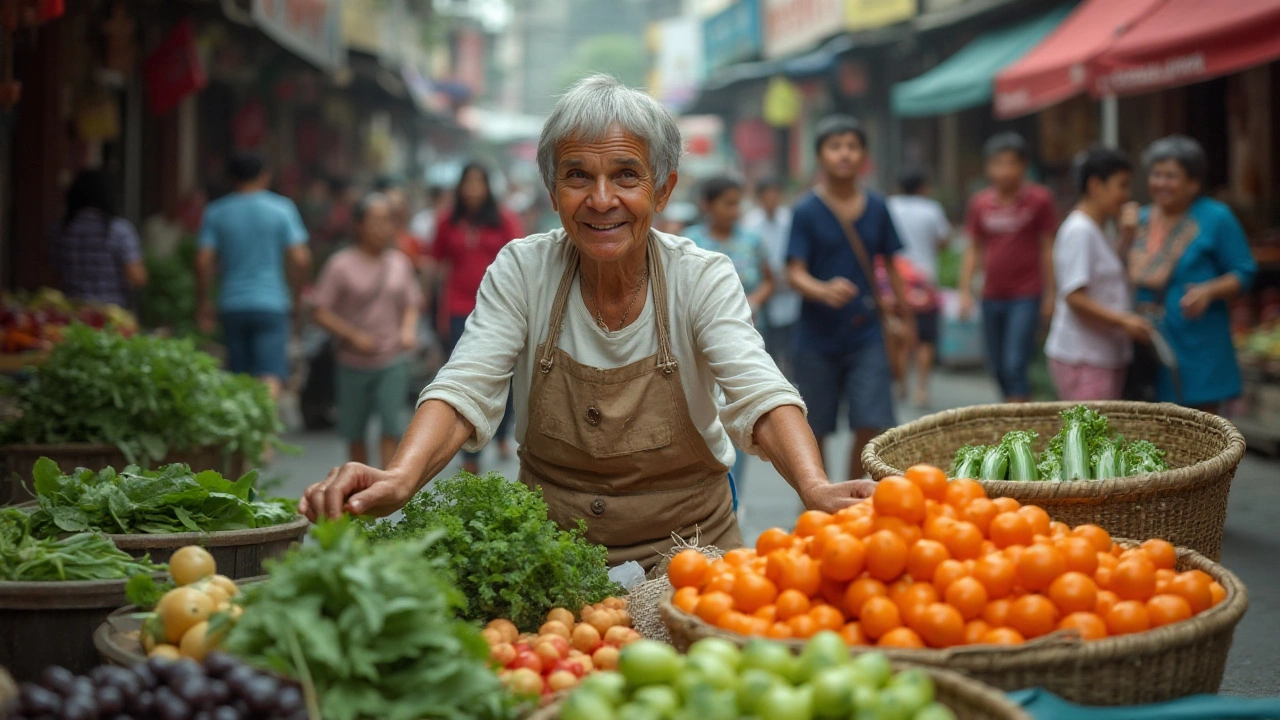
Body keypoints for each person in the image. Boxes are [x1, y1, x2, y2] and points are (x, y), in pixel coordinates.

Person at [299, 75, 873, 570]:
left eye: (627, 175)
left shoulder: (702, 276)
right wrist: (401, 476)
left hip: (694, 555)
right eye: (578, 176)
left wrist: (814, 486)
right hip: (551, 557)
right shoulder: (523, 269)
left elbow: (758, 391)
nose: (602, 200)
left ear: (664, 189)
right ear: (552, 191)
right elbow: (465, 386)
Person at [787, 115, 915, 482]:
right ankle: (818, 498)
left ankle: (852, 498)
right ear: (820, 156)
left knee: (871, 420)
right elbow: (794, 272)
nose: (844, 154)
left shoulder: (877, 207)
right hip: (816, 336)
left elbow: (892, 267)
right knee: (816, 426)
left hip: (867, 332)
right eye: (835, 146)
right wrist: (822, 290)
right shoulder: (806, 210)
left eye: (852, 146)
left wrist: (906, 320)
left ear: (863, 156)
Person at [1126, 136, 1257, 412]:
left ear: (1193, 182)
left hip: (1199, 342)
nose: (1161, 183)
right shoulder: (1140, 219)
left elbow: (1244, 271)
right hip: (1150, 344)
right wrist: (1125, 236)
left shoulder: (1216, 217)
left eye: (1171, 176)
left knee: (1201, 429)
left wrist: (1209, 291)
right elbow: (1120, 271)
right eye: (1156, 174)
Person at [311, 193, 422, 468]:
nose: (382, 228)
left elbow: (411, 304)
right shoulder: (340, 264)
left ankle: (384, 487)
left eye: (387, 221)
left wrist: (407, 332)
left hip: (391, 359)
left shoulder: (400, 263)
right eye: (375, 221)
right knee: (355, 432)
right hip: (351, 362)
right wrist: (352, 336)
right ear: (358, 225)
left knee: (391, 427)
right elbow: (319, 311)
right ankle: (360, 491)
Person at [684, 175, 775, 494]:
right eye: (728, 203)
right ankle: (705, 491)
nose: (735, 210)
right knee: (702, 416)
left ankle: (734, 493)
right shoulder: (689, 241)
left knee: (742, 416)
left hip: (744, 342)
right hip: (698, 347)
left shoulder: (751, 240)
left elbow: (768, 280)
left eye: (738, 203)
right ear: (708, 205)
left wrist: (755, 300)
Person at [431, 162, 524, 473]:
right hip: (458, 306)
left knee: (504, 373)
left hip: (500, 306)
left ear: (488, 187)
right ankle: (469, 453)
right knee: (465, 374)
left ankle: (500, 432)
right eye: (467, 183)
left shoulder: (504, 220)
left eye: (478, 182)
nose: (472, 189)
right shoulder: (448, 221)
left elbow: (520, 258)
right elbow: (436, 261)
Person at [196, 153, 311, 399]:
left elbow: (203, 260)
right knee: (270, 373)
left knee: (239, 377)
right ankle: (264, 433)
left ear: (231, 178)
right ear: (264, 175)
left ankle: (245, 433)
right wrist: (296, 295)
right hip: (271, 302)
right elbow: (301, 259)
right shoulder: (282, 208)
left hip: (232, 303)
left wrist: (204, 301)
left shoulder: (216, 211)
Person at [1045, 147, 1152, 402]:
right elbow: (1074, 296)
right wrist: (1124, 321)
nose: (1126, 195)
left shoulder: (1096, 228)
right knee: (1090, 436)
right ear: (1095, 185)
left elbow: (1103, 276)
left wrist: (1126, 238)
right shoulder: (1080, 230)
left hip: (1100, 352)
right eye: (1121, 186)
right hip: (1085, 356)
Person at [959, 132, 1057, 403]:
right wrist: (965, 291)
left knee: (1016, 363)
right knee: (997, 366)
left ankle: (1019, 429)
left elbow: (1048, 247)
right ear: (987, 167)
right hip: (991, 295)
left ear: (1023, 166)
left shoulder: (1039, 200)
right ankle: (1013, 416)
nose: (1003, 170)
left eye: (1010, 163)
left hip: (1026, 294)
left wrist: (1051, 295)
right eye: (997, 163)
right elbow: (973, 248)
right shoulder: (980, 203)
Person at [887, 170, 951, 407]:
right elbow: (944, 240)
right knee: (925, 338)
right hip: (923, 278)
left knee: (901, 334)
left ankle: (901, 383)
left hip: (895, 277)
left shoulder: (889, 206)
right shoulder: (931, 209)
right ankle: (921, 389)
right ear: (922, 186)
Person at [54, 170, 147, 307]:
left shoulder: (60, 230)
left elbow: (53, 271)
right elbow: (137, 277)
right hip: (111, 313)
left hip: (71, 309)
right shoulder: (119, 230)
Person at [743, 178, 798, 378]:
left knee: (790, 340)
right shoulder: (751, 223)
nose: (772, 199)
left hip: (790, 288)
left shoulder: (789, 219)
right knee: (768, 343)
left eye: (775, 194)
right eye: (767, 195)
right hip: (764, 290)